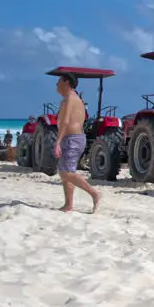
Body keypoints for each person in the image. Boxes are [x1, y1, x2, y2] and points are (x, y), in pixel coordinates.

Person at [53, 72, 101, 213]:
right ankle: (68, 204)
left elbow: (66, 121)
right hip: (73, 138)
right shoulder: (70, 98)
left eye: (59, 81)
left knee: (65, 172)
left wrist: (58, 142)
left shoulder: (70, 98)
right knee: (67, 172)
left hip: (72, 139)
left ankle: (94, 193)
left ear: (66, 82)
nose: (56, 84)